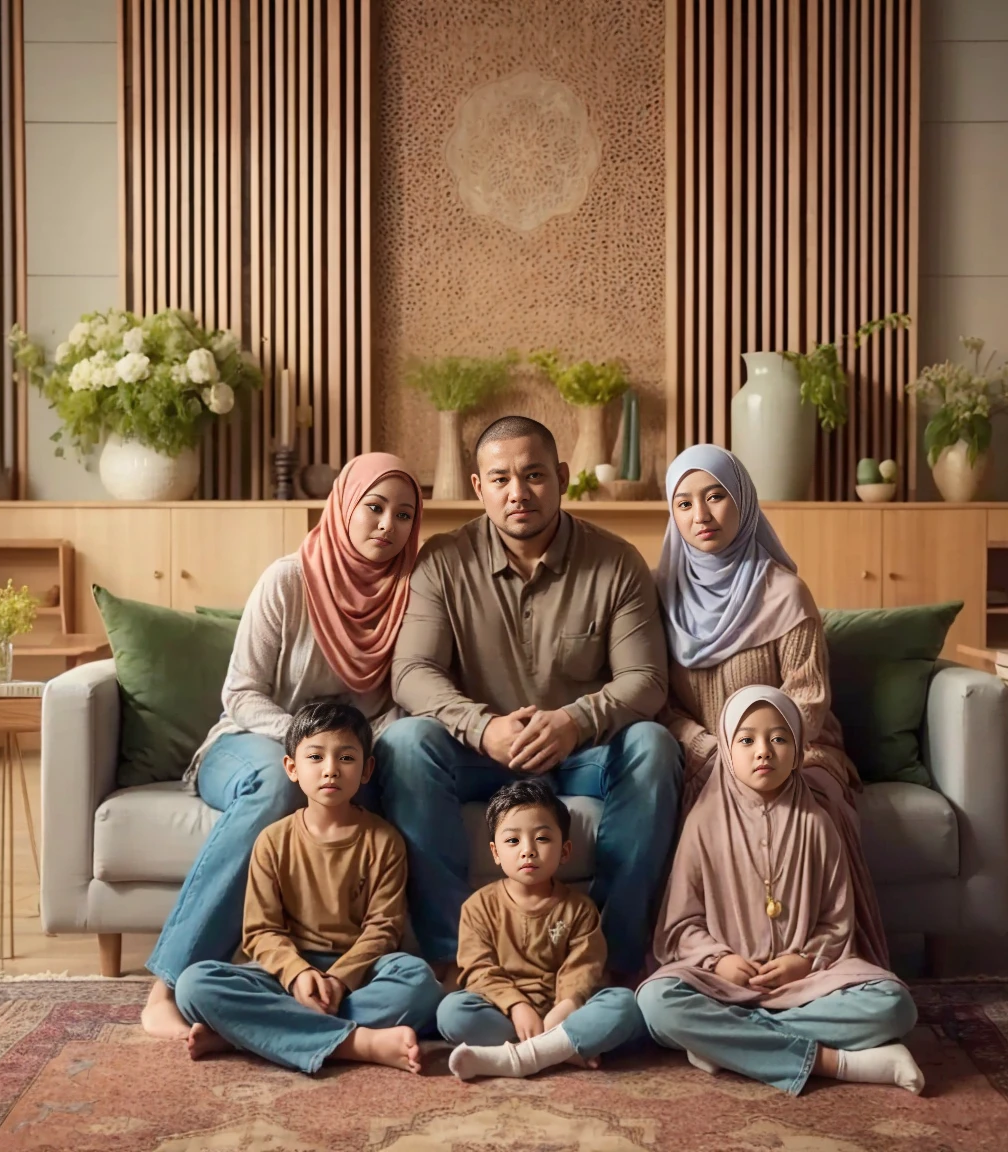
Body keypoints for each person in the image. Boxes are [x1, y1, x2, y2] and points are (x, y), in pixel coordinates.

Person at [379, 415, 679, 978]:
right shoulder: (443, 561)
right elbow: (412, 672)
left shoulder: (615, 562)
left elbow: (646, 679)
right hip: (479, 755)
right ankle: (454, 958)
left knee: (653, 745)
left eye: (534, 475)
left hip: (579, 754)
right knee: (405, 740)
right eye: (500, 479)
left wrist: (573, 720)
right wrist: (482, 726)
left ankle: (607, 961)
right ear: (478, 487)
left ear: (562, 477)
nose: (518, 493)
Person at [142, 453, 424, 1038]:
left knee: (394, 763)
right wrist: (309, 748)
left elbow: (403, 698)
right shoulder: (289, 579)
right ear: (344, 506)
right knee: (277, 780)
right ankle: (165, 987)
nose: (386, 526)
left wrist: (355, 749)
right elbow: (241, 694)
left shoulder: (409, 595)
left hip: (347, 752)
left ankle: (310, 998)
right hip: (251, 741)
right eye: (374, 508)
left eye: (403, 515)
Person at [657, 443, 888, 966]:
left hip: (794, 750)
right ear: (671, 514)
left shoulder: (785, 593)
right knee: (676, 807)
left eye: (715, 497)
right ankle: (718, 962)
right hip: (703, 754)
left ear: (743, 500)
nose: (702, 515)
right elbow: (659, 701)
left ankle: (816, 959)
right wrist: (708, 745)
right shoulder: (660, 598)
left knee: (816, 804)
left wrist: (756, 751)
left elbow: (808, 696)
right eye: (685, 503)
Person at [635, 685, 924, 1096]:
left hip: (807, 986)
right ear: (728, 751)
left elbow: (837, 922)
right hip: (724, 986)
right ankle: (839, 1063)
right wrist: (719, 962)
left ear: (799, 747)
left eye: (779, 738)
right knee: (656, 1003)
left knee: (894, 1006)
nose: (763, 751)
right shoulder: (703, 822)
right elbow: (681, 925)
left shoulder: (817, 822)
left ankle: (724, 1043)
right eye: (747, 739)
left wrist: (803, 961)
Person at [174, 700, 442, 1073]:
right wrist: (298, 974)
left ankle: (248, 1034)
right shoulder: (272, 840)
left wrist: (338, 980)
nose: (330, 770)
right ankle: (358, 1043)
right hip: (286, 975)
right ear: (292, 768)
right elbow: (261, 931)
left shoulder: (384, 840)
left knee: (419, 982)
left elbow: (384, 930)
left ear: (366, 770)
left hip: (358, 977)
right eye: (315, 757)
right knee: (193, 985)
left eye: (346, 759)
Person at [438, 779, 647, 1080]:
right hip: (505, 1012)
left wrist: (567, 1005)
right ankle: (560, 1050)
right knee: (451, 1012)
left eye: (542, 839)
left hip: (563, 1014)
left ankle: (525, 1055)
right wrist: (517, 1005)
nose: (528, 851)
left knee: (624, 1005)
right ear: (495, 853)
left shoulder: (579, 908)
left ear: (565, 850)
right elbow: (477, 968)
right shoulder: (478, 907)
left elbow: (584, 966)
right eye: (513, 841)